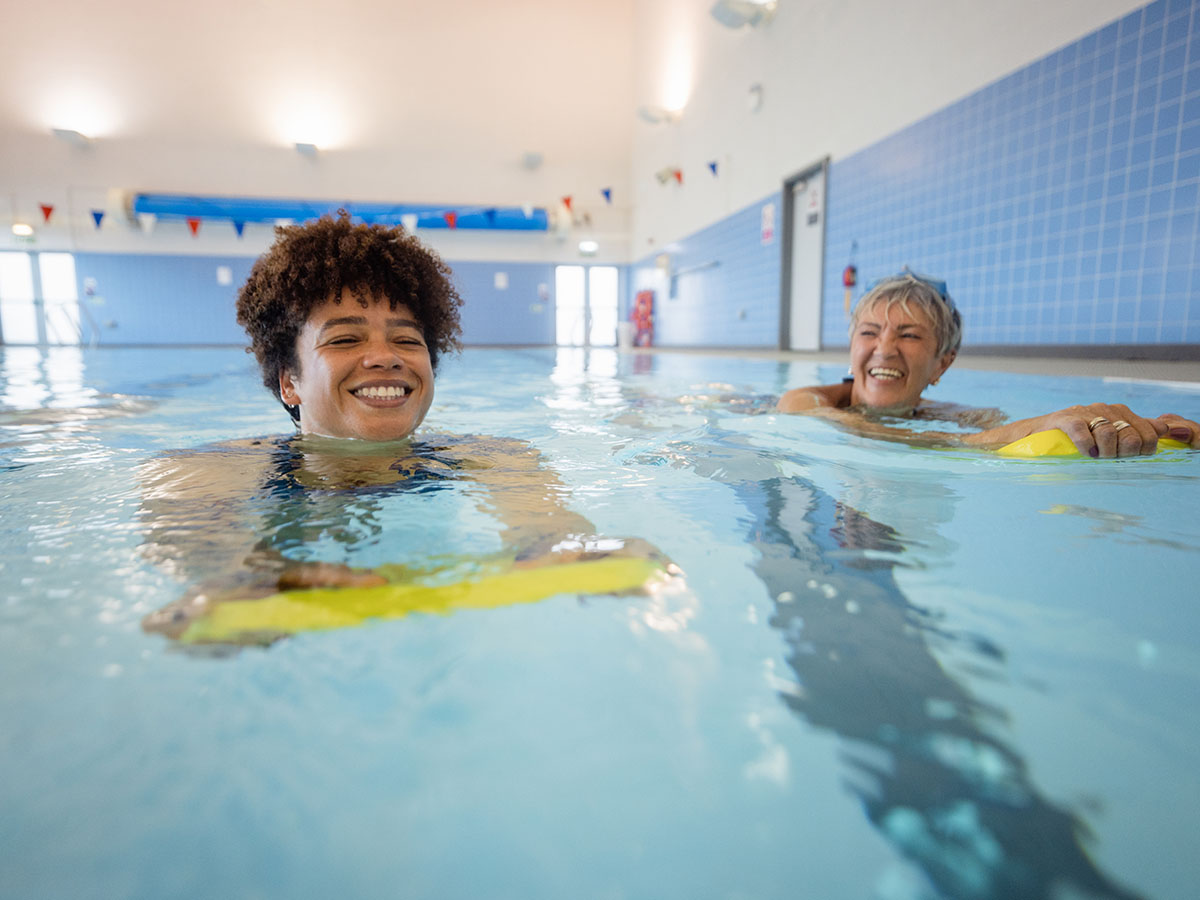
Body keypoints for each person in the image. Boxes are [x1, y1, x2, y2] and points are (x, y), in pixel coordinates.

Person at [140, 213, 674, 645]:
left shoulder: (494, 457)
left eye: (408, 340)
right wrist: (255, 577)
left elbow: (550, 532)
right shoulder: (208, 469)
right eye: (345, 339)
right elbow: (203, 553)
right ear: (289, 384)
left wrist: (575, 550)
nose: (384, 358)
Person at [777, 270, 1200, 458]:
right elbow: (876, 435)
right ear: (851, 348)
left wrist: (1128, 429)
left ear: (943, 364)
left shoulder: (964, 416)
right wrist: (1019, 431)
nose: (884, 349)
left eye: (908, 335)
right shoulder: (803, 401)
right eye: (869, 332)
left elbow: (1032, 429)